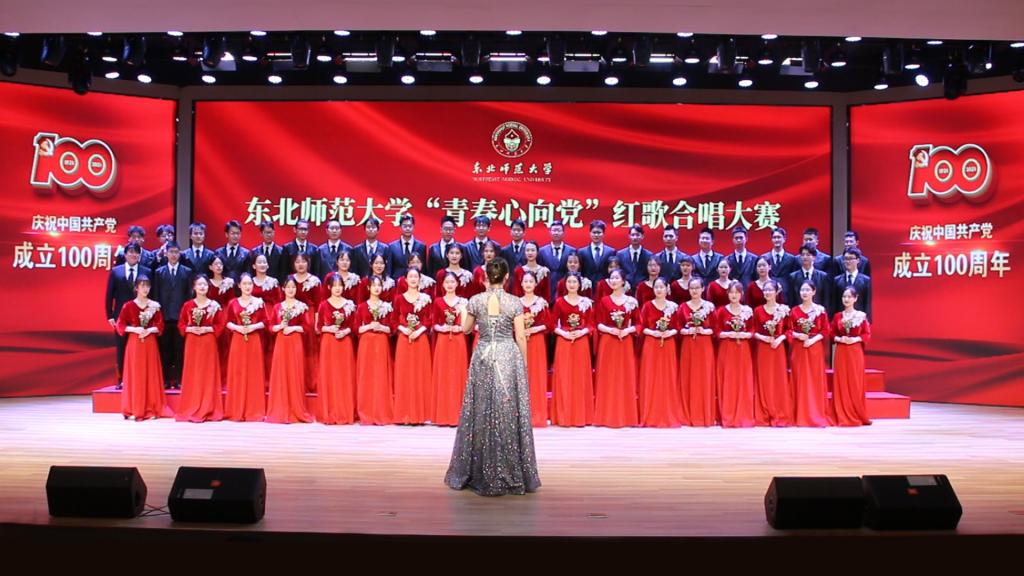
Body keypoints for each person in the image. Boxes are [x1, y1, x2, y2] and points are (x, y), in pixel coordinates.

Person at [445, 257, 541, 496]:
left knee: (482, 409)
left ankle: (479, 470)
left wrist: (465, 312)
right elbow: (520, 336)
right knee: (507, 410)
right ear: (507, 277)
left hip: (484, 356)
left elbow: (466, 329)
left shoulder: (476, 300)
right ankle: (512, 470)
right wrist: (523, 365)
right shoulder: (514, 302)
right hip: (508, 355)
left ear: (486, 276)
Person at [116, 275, 172, 420]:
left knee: (150, 373)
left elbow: (160, 325)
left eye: (147, 286)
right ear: (136, 288)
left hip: (150, 342)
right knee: (135, 374)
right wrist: (135, 329)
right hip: (134, 343)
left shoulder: (154, 305)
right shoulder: (128, 306)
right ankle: (134, 408)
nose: (145, 289)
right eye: (142, 286)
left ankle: (151, 407)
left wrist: (149, 330)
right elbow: (120, 325)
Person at [593, 269, 640, 428]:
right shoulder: (604, 300)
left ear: (623, 281)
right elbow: (598, 323)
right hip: (608, 341)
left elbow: (639, 324)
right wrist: (610, 330)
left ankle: (626, 417)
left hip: (625, 341)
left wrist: (627, 330)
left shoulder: (631, 302)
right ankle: (605, 416)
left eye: (616, 278)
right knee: (607, 377)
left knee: (624, 377)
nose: (613, 281)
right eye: (611, 278)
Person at [176, 275, 225, 423]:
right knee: (193, 373)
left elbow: (220, 324)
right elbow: (181, 324)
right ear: (194, 287)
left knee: (208, 373)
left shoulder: (214, 305)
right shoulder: (188, 305)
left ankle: (208, 407)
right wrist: (190, 329)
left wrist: (207, 329)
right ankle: (191, 405)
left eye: (205, 284)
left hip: (208, 342)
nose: (202, 287)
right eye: (199, 284)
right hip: (192, 342)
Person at [266, 276, 313, 424]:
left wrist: (293, 328)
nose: (291, 290)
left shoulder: (301, 306)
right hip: (281, 342)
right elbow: (270, 327)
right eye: (288, 287)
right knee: (281, 373)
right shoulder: (277, 307)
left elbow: (307, 327)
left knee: (295, 372)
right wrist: (280, 326)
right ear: (283, 289)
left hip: (295, 342)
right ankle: (281, 409)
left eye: (293, 287)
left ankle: (296, 408)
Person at [637, 277, 684, 427]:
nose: (658, 290)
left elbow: (678, 327)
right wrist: (653, 332)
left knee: (668, 378)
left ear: (667, 289)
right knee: (651, 378)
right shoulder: (647, 306)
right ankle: (650, 415)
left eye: (661, 287)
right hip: (651, 344)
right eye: (656, 287)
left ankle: (668, 413)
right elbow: (641, 326)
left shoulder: (673, 307)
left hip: (668, 344)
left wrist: (670, 333)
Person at [550, 272, 595, 426]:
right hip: (564, 342)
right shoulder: (559, 302)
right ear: (565, 284)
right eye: (569, 281)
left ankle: (581, 416)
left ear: (579, 284)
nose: (572, 284)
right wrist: (563, 333)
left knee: (580, 378)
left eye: (574, 282)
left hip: (581, 342)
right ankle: (564, 416)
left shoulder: (586, 303)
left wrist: (582, 332)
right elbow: (552, 324)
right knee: (564, 378)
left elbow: (592, 324)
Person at [105, 242, 152, 387]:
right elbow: (109, 294)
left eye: (136, 252)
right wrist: (110, 315)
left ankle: (139, 378)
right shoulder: (116, 271)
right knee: (121, 348)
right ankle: (121, 379)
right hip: (121, 316)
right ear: (125, 254)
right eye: (130, 252)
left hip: (142, 315)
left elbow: (152, 293)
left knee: (140, 349)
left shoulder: (147, 271)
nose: (133, 255)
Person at [224, 273, 268, 422]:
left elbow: (265, 321)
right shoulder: (233, 303)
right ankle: (237, 409)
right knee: (238, 373)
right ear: (239, 286)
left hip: (254, 340)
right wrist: (238, 328)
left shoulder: (259, 303)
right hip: (238, 340)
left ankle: (254, 409)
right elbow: (227, 322)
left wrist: (252, 327)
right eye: (244, 284)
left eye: (249, 284)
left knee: (254, 373)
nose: (247, 286)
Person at [393, 268, 434, 424]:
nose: (413, 279)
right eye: (410, 276)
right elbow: (393, 320)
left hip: (420, 339)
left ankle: (421, 414)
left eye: (416, 276)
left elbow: (430, 319)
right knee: (404, 375)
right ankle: (404, 414)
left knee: (420, 375)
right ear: (405, 279)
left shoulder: (426, 298)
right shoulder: (399, 299)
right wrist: (403, 329)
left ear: (420, 279)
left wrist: (419, 331)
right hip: (404, 340)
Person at [316, 273, 358, 425]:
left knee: (344, 376)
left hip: (344, 342)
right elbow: (319, 327)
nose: (337, 288)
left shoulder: (349, 305)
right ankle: (329, 411)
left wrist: (346, 331)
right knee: (330, 375)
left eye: (340, 285)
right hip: (329, 343)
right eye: (334, 286)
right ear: (329, 287)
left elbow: (354, 325)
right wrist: (329, 329)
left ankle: (345, 411)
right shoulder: (323, 305)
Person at [713, 281, 755, 428]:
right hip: (727, 349)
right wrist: (727, 334)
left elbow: (753, 330)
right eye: (731, 292)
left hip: (742, 349)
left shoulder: (747, 311)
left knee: (743, 380)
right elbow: (717, 331)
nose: (734, 295)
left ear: (741, 294)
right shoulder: (721, 311)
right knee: (728, 380)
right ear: (727, 294)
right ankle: (727, 415)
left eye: (737, 292)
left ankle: (743, 415)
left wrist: (745, 335)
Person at [789, 280, 830, 427]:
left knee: (814, 380)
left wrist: (812, 340)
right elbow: (788, 330)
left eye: (807, 290)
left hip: (814, 348)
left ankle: (815, 413)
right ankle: (800, 414)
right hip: (799, 348)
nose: (804, 292)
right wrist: (798, 335)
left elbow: (825, 330)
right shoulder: (794, 311)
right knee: (799, 379)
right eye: (802, 290)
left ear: (814, 292)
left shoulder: (820, 310)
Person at [752, 280, 793, 427]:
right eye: (765, 290)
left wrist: (780, 338)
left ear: (776, 292)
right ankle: (764, 413)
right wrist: (763, 338)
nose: (767, 292)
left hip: (778, 349)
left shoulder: (784, 310)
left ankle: (779, 412)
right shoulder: (757, 310)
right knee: (764, 380)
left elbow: (790, 330)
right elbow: (753, 330)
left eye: (770, 290)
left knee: (778, 380)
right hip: (763, 349)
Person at [355, 276, 395, 424]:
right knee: (366, 376)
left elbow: (392, 328)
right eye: (374, 285)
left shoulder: (387, 307)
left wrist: (381, 327)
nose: (376, 288)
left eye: (379, 285)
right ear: (368, 288)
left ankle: (381, 411)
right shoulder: (361, 307)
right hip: (366, 344)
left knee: (380, 375)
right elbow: (356, 328)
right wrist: (369, 326)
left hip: (381, 343)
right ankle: (366, 412)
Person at [830, 286, 872, 426]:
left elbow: (866, 334)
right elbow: (831, 333)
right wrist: (840, 339)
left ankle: (855, 412)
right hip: (841, 351)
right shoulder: (838, 316)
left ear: (855, 298)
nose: (846, 299)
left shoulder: (861, 316)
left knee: (855, 381)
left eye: (849, 297)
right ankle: (841, 412)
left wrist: (855, 339)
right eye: (844, 296)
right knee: (841, 381)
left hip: (855, 351)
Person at [677, 278, 716, 426]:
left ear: (702, 289)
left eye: (697, 288)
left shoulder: (709, 307)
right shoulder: (682, 307)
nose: (694, 291)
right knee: (688, 377)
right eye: (691, 288)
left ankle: (704, 414)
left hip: (704, 345)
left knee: (703, 378)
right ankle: (687, 414)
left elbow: (716, 329)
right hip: (688, 345)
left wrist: (704, 330)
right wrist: (687, 331)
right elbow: (678, 327)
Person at [432, 272, 469, 426]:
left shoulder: (463, 302)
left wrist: (460, 328)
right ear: (443, 284)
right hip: (443, 340)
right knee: (444, 375)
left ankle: (458, 416)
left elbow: (467, 325)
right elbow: (434, 323)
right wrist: (441, 328)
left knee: (458, 375)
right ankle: (442, 416)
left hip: (458, 341)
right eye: (447, 282)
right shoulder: (438, 302)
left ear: (457, 284)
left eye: (452, 282)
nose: (450, 284)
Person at [151, 241, 190, 389]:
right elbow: (156, 296)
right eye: (171, 252)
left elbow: (188, 296)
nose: (174, 255)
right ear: (166, 254)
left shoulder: (186, 271)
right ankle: (166, 380)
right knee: (165, 349)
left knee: (180, 350)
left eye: (176, 252)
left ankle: (180, 379)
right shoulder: (159, 272)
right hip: (165, 317)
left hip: (180, 318)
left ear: (179, 254)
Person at [519, 270, 551, 428]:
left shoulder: (541, 303)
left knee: (536, 377)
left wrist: (534, 329)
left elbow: (549, 324)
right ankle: (519, 417)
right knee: (520, 376)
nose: (528, 284)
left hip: (536, 342)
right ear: (521, 284)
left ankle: (537, 415)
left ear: (536, 284)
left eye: (531, 281)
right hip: (519, 341)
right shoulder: (516, 303)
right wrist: (520, 330)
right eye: (525, 281)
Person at [538, 219, 575, 302]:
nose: (556, 233)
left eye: (558, 230)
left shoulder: (571, 250)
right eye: (554, 230)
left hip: (566, 290)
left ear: (563, 233)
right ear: (550, 232)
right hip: (547, 291)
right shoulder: (542, 251)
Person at [832, 247, 872, 319]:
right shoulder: (837, 280)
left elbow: (867, 304)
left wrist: (867, 320)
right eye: (846, 259)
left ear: (858, 260)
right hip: (841, 320)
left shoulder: (866, 280)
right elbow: (834, 304)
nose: (848, 261)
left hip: (859, 320)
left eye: (850, 258)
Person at [388, 214, 427, 279]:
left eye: (410, 226)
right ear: (400, 228)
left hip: (415, 281)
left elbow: (423, 269)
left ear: (413, 227)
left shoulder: (421, 246)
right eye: (405, 226)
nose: (408, 228)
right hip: (397, 281)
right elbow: (389, 268)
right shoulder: (392, 247)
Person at [578, 220, 615, 286]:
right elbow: (580, 271)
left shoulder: (611, 252)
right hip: (587, 287)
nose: (596, 235)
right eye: (594, 232)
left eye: (599, 232)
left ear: (603, 234)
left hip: (605, 286)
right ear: (590, 233)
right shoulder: (582, 252)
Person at [617, 224, 652, 290]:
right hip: (625, 289)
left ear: (642, 236)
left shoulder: (649, 255)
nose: (635, 237)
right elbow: (618, 272)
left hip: (643, 289)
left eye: (637, 235)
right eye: (633, 235)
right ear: (629, 236)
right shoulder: (620, 254)